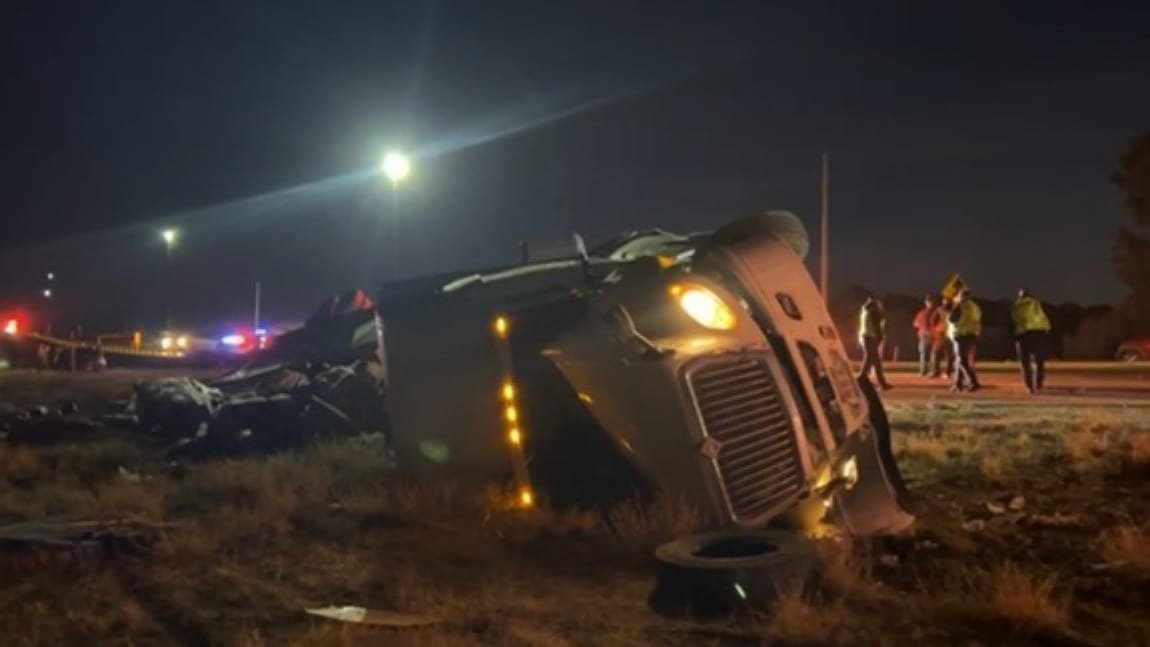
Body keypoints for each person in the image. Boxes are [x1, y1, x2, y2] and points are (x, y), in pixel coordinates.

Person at [1012, 288, 1052, 393]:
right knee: (1039, 361)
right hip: (1039, 333)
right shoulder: (1036, 304)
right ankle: (1039, 384)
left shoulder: (1016, 306)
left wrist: (1015, 334)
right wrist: (1047, 329)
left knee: (1025, 362)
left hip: (1024, 334)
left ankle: (1029, 386)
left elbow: (1013, 320)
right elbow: (1043, 318)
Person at [948, 288, 982, 392]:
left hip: (960, 334)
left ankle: (973, 382)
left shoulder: (961, 306)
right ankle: (957, 383)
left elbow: (951, 318)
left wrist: (953, 306)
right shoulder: (975, 306)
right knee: (961, 360)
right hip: (972, 334)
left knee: (961, 360)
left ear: (961, 296)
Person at [857, 296, 892, 390]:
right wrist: (880, 337)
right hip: (871, 337)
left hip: (864, 336)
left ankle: (880, 383)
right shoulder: (874, 311)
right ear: (876, 303)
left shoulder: (864, 311)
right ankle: (862, 378)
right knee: (871, 359)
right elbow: (876, 326)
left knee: (873, 360)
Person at [913, 295, 940, 376]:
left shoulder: (923, 312)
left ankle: (924, 370)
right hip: (932, 335)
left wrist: (921, 327)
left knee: (925, 354)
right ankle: (933, 370)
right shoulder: (936, 312)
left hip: (925, 335)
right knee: (933, 354)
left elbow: (915, 324)